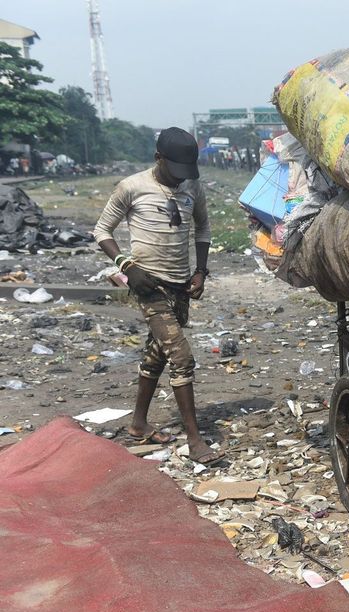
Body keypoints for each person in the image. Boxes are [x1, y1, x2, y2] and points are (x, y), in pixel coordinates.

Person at [93, 127, 223, 465]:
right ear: (157, 159)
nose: (180, 179)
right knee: (181, 356)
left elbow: (203, 228)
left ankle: (138, 423)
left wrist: (201, 271)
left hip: (181, 284)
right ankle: (195, 440)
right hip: (148, 284)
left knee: (158, 354)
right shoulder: (132, 187)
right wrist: (127, 266)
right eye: (174, 170)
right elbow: (101, 230)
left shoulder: (192, 186)